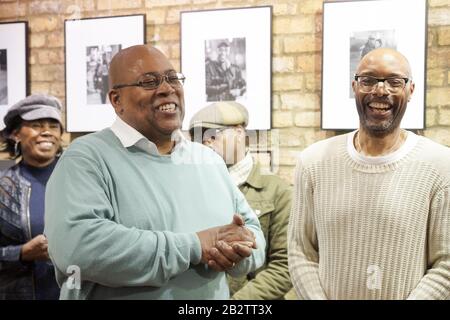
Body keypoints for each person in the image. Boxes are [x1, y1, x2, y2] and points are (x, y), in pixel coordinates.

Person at [44, 45, 265, 300]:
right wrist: (195, 246)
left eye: (173, 78)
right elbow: (77, 249)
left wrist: (237, 251)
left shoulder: (208, 161)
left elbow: (253, 234)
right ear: (117, 100)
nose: (167, 89)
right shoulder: (86, 158)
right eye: (149, 81)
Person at [288, 48, 450, 300]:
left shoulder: (440, 164)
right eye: (369, 80)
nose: (380, 90)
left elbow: (445, 264)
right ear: (355, 86)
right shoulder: (313, 162)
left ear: (411, 90)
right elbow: (300, 251)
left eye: (395, 82)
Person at [189, 101, 296, 300]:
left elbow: (285, 266)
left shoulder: (277, 190)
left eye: (212, 135)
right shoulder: (192, 189)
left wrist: (234, 303)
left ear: (239, 133)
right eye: (199, 139)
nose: (206, 144)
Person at [0, 94, 63, 299]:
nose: (47, 132)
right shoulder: (4, 188)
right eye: (36, 125)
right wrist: (21, 253)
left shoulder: (85, 179)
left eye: (53, 126)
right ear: (16, 134)